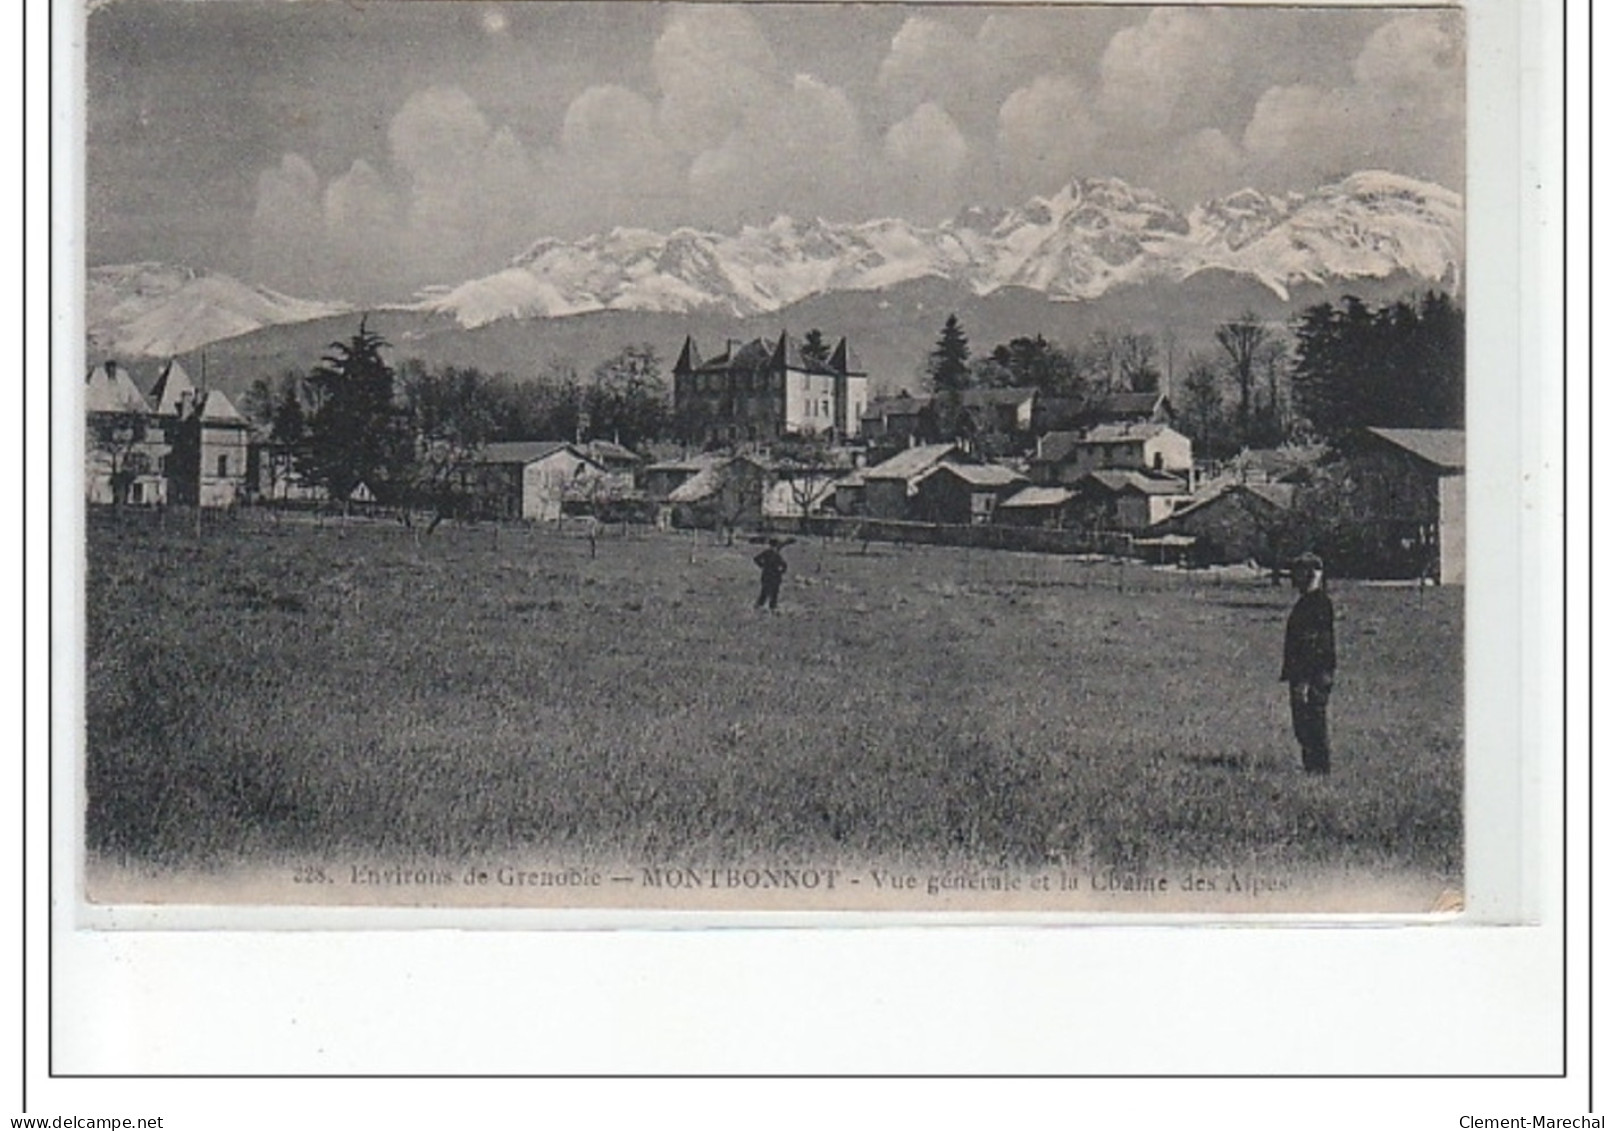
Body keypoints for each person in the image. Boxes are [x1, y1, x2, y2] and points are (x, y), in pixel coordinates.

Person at [1281, 552, 1336, 775]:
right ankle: (1313, 766)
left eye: (1298, 573)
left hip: (1312, 673)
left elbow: (1314, 645)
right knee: (1305, 721)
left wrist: (1304, 679)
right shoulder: (1309, 602)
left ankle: (1318, 768)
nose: (1294, 579)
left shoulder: (1318, 604)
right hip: (1307, 673)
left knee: (1312, 720)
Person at [754, 538, 788, 611]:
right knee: (774, 592)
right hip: (775, 575)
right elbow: (784, 565)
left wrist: (762, 566)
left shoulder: (767, 553)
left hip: (766, 574)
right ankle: (772, 606)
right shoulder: (776, 554)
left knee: (764, 591)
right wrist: (781, 571)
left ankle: (760, 605)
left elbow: (756, 559)